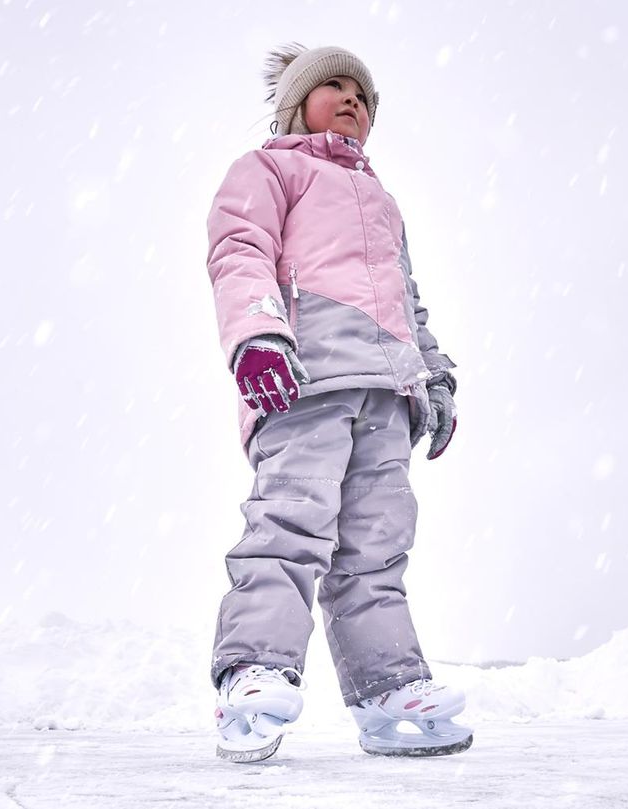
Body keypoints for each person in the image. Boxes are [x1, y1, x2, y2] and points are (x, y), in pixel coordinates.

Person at [203, 43, 471, 763]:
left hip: (387, 397)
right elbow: (239, 250)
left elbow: (407, 301)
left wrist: (434, 375)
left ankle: (388, 688)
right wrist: (258, 334)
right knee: (290, 524)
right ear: (298, 104)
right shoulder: (270, 170)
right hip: (304, 382)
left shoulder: (381, 200)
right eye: (336, 87)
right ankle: (253, 671)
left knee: (376, 549)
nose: (353, 99)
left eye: (364, 94)